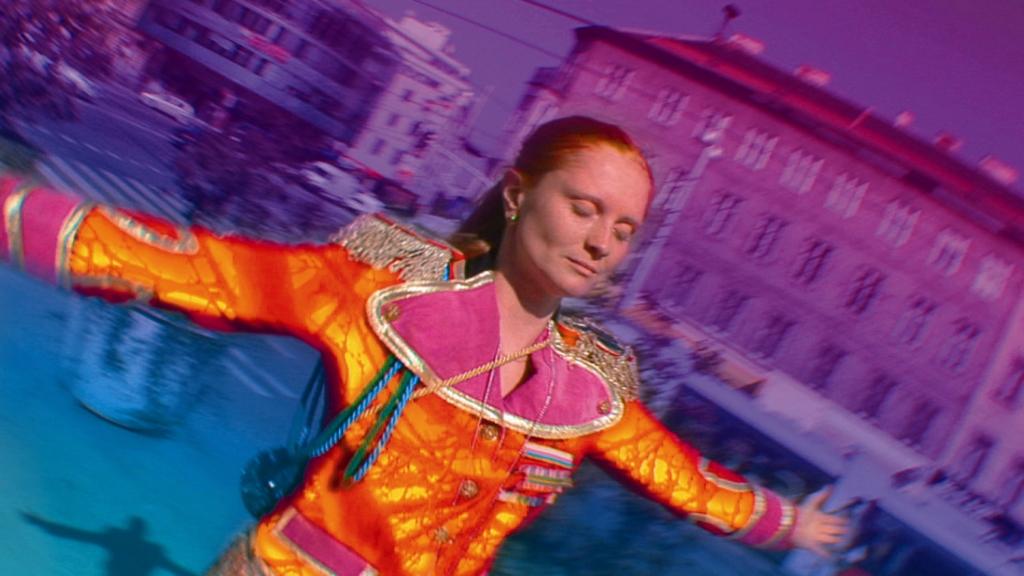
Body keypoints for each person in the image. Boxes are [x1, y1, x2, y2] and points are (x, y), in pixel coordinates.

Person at [1, 116, 847, 575]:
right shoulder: (387, 284)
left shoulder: (589, 386)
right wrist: (15, 213)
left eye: (623, 230)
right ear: (517, 195)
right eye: (584, 208)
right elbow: (197, 269)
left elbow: (683, 478)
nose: (600, 242)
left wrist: (790, 524)